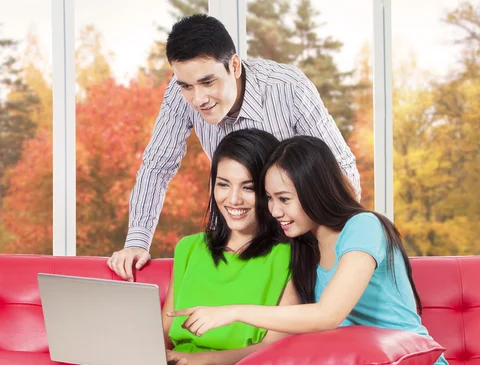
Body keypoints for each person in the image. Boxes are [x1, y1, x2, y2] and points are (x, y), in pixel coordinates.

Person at [169, 136, 458, 365]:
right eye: (269, 199)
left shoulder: (364, 227)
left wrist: (232, 312)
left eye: (284, 199)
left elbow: (328, 315)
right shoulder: (304, 249)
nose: (274, 211)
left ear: (314, 191)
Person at [107, 14, 361, 281]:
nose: (198, 99)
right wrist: (137, 240)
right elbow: (156, 167)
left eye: (208, 82)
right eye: (186, 86)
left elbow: (341, 169)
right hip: (234, 234)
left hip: (296, 235)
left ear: (235, 66)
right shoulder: (178, 94)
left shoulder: (288, 88)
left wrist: (332, 246)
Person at [59, 129, 299, 365]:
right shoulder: (190, 248)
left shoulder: (290, 255)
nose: (233, 200)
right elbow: (166, 334)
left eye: (248, 187)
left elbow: (272, 351)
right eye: (223, 184)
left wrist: (201, 361)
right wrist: (119, 347)